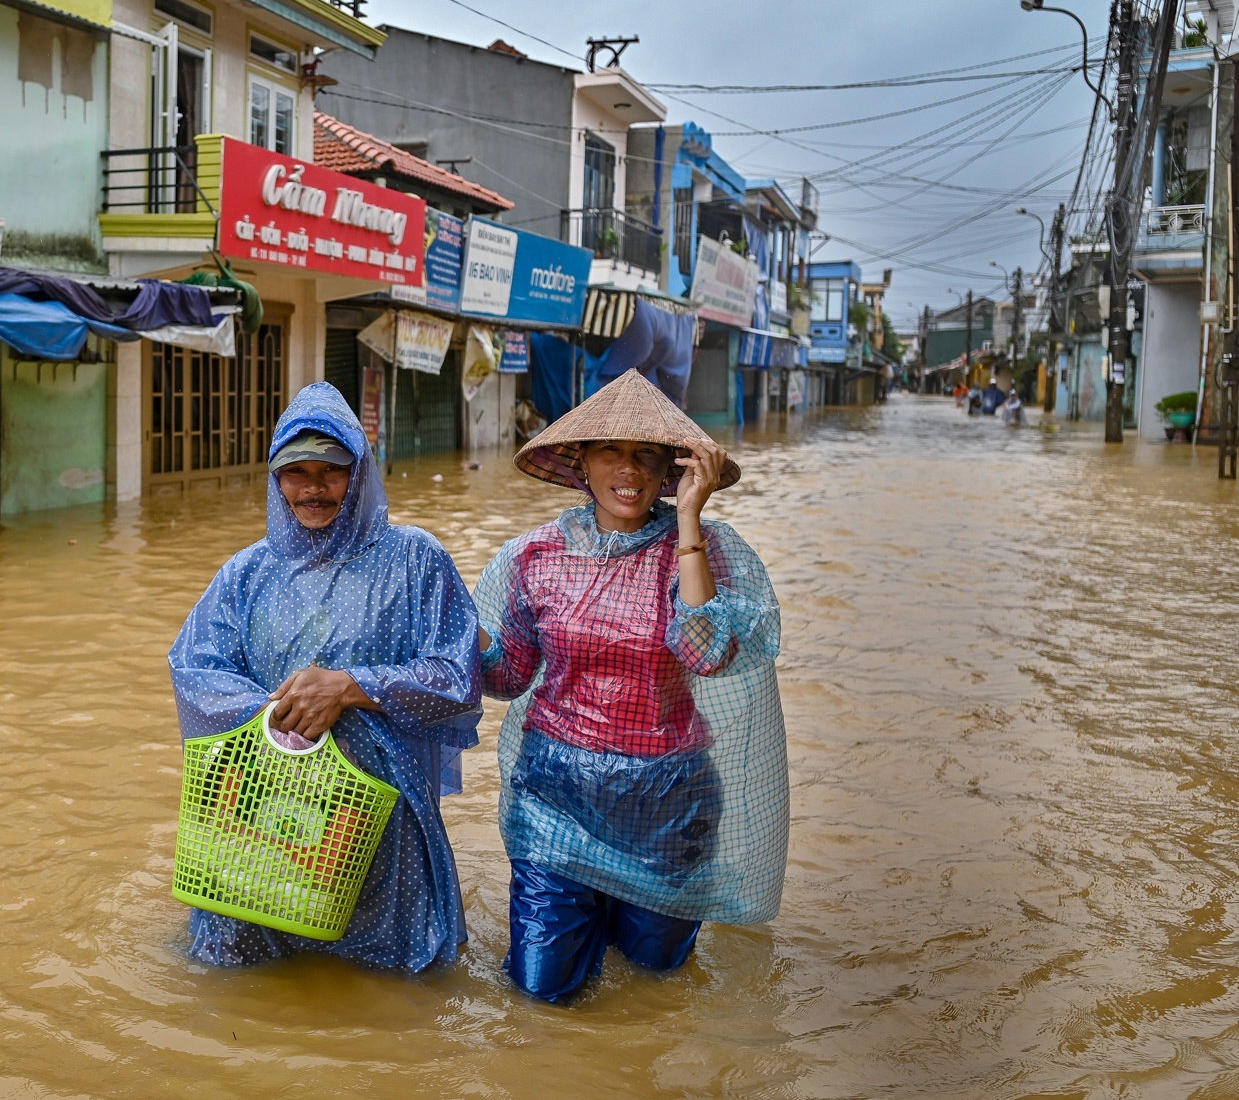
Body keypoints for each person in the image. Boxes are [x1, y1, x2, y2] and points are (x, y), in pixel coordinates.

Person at [473, 370, 787, 1002]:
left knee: (654, 982)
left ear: (670, 471)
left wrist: (692, 521)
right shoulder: (533, 556)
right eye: (611, 452)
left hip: (667, 803)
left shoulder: (704, 549)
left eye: (647, 456)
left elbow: (708, 655)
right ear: (581, 462)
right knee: (542, 993)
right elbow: (506, 676)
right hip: (554, 797)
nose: (629, 471)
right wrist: (447, 634)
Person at [168, 382, 482, 973]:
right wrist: (277, 711)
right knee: (240, 970)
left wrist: (348, 688)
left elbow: (456, 676)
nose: (313, 488)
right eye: (296, 472)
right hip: (265, 817)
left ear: (359, 473)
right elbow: (196, 669)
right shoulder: (246, 573)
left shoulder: (415, 559)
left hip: (380, 817)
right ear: (275, 478)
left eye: (331, 471)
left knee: (393, 985)